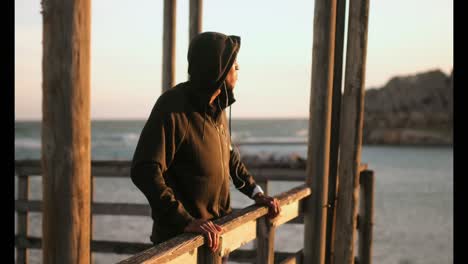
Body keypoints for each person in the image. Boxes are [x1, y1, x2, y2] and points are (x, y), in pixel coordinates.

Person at [130, 32, 280, 262]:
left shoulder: (217, 108)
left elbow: (230, 159)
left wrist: (257, 193)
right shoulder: (173, 107)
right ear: (219, 70)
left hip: (214, 240)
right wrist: (184, 220)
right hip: (180, 246)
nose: (238, 72)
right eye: (235, 67)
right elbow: (144, 169)